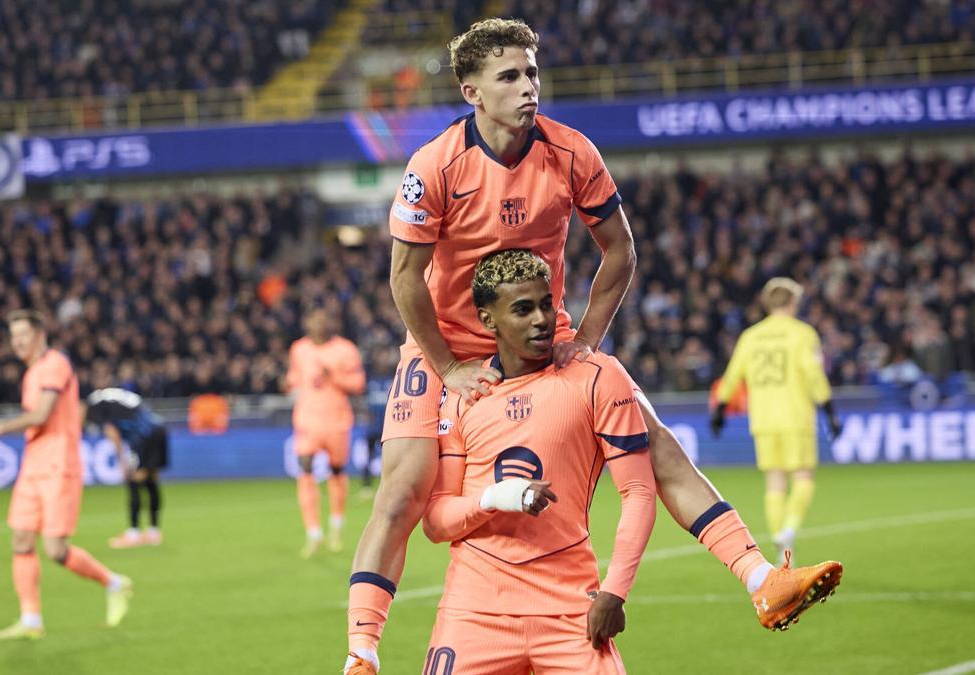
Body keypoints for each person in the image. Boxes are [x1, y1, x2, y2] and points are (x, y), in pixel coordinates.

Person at [344, 20, 842, 673]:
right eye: (509, 76)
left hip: (537, 331)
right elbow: (405, 278)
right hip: (447, 345)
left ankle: (760, 578)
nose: (528, 87)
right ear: (472, 92)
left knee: (655, 443)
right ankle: (362, 650)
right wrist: (448, 365)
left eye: (532, 72)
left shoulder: (572, 151)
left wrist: (583, 341)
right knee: (404, 489)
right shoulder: (435, 164)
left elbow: (620, 250)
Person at [420, 250, 657, 672]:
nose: (541, 320)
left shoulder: (596, 377)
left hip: (570, 606)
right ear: (488, 319)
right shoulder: (462, 398)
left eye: (546, 304)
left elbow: (638, 491)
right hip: (474, 610)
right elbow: (436, 522)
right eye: (523, 309)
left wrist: (614, 592)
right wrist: (496, 497)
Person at [0, 310, 132, 640]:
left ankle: (114, 583)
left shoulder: (55, 364)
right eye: (13, 336)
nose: (17, 342)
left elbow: (41, 414)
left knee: (55, 550)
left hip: (58, 466)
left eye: (23, 334)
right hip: (33, 464)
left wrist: (0, 428)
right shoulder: (31, 373)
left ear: (40, 335)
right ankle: (31, 620)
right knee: (21, 539)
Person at [711, 278, 844, 558]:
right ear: (794, 302)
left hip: (763, 418)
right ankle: (789, 529)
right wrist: (830, 410)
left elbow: (733, 373)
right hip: (796, 415)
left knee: (774, 480)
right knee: (803, 475)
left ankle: (781, 548)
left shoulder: (751, 336)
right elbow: (813, 374)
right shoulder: (802, 334)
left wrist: (721, 408)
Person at [287, 308, 367, 558]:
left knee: (336, 471)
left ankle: (336, 526)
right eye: (314, 320)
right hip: (307, 419)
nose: (319, 324)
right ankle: (313, 532)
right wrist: (286, 383)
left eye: (323, 320)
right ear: (307, 322)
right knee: (305, 468)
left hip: (336, 420)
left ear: (330, 323)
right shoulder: (299, 349)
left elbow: (358, 384)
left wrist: (333, 376)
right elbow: (294, 379)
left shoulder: (345, 349)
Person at [84, 387, 170, 548]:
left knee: (133, 481)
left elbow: (113, 433)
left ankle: (134, 533)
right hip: (158, 429)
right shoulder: (108, 396)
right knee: (151, 481)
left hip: (143, 436)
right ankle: (154, 533)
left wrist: (121, 461)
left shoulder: (94, 406)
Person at [361, 350, 398, 496]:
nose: (382, 362)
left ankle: (389, 482)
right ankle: (366, 483)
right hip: (372, 425)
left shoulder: (394, 377)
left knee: (389, 455)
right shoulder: (369, 378)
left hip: (388, 425)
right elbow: (363, 399)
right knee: (369, 454)